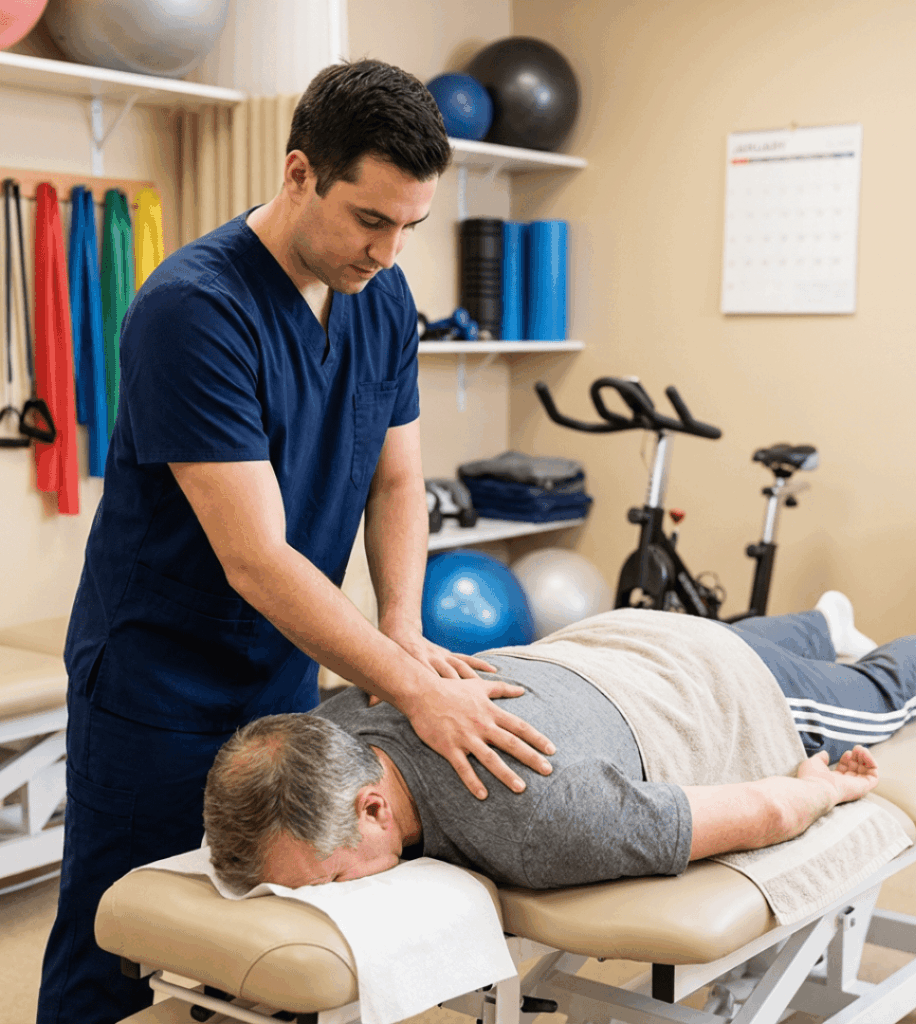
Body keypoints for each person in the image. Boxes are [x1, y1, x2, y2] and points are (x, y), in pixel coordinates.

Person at [39, 60, 555, 1024]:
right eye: (369, 219)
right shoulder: (194, 310)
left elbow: (397, 478)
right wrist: (412, 691)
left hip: (282, 668)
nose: (388, 251)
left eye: (410, 226)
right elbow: (256, 556)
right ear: (298, 173)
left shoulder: (384, 301)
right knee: (115, 940)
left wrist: (401, 626)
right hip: (158, 681)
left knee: (277, 926)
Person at [203, 594, 916, 893]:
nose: (314, 900)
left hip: (720, 685)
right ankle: (823, 622)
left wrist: (825, 790)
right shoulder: (338, 722)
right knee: (742, 640)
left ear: (372, 806)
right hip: (612, 640)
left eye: (323, 882)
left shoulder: (530, 814)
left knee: (874, 700)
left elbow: (765, 808)